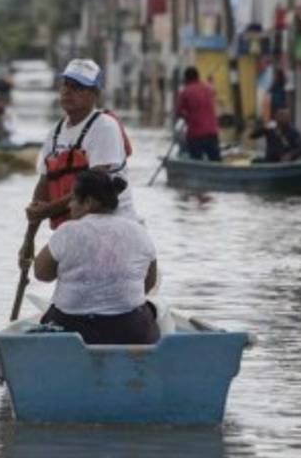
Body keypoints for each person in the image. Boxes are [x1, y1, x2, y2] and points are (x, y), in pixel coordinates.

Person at [32, 170, 159, 345]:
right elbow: (148, 283)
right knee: (152, 310)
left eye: (74, 199)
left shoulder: (67, 231)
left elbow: (41, 274)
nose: (69, 206)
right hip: (130, 329)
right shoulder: (139, 231)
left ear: (88, 202)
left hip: (71, 328)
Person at [25, 58, 135, 239]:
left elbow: (92, 188)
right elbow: (43, 186)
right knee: (43, 265)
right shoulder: (54, 133)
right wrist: (29, 240)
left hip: (114, 227)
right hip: (75, 230)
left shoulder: (105, 127)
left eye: (77, 87)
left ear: (95, 94)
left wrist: (47, 211)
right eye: (65, 85)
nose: (68, 91)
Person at [174, 66, 221, 161]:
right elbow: (213, 92)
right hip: (212, 133)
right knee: (216, 160)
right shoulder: (208, 88)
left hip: (196, 134)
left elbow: (178, 112)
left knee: (196, 159)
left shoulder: (185, 91)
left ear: (186, 79)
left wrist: (186, 116)